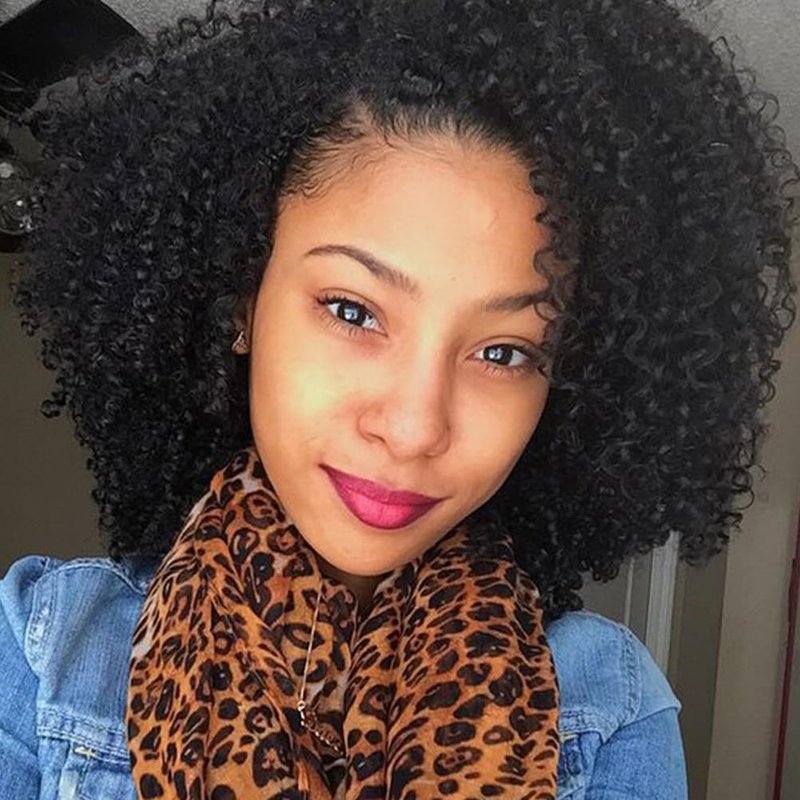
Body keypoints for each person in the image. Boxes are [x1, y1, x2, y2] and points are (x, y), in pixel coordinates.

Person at [0, 0, 796, 797]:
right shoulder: (44, 649)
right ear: (242, 301)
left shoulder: (607, 704)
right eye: (353, 311)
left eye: (504, 352)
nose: (415, 426)